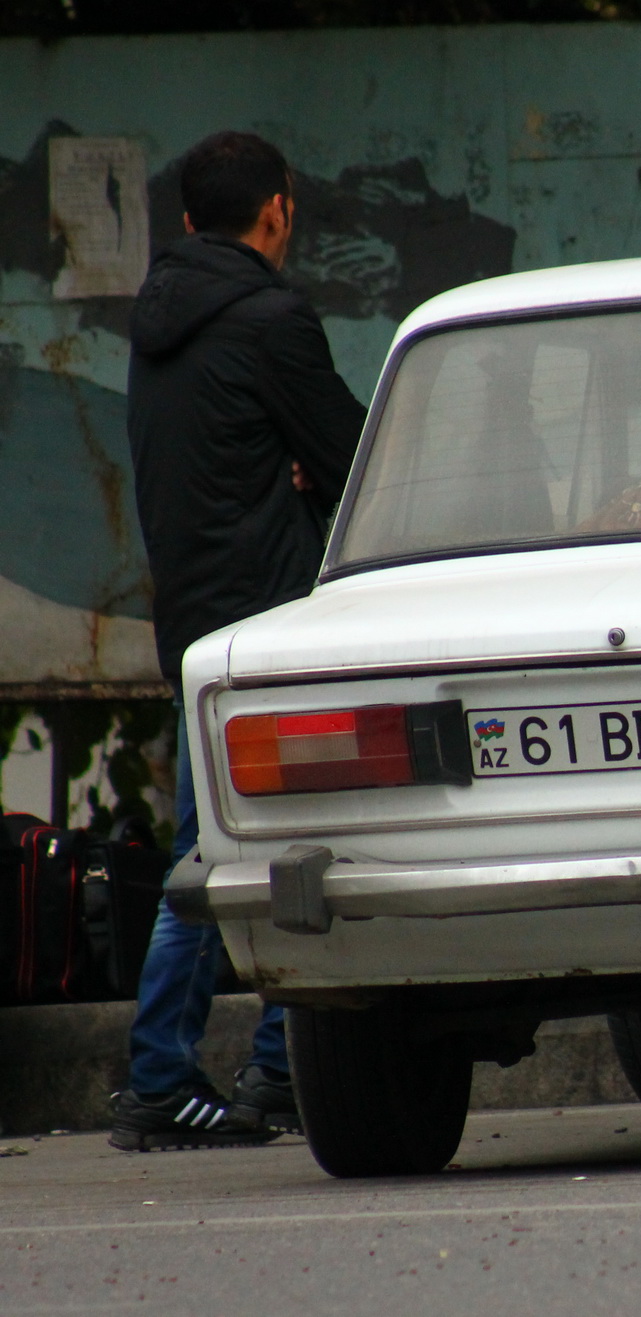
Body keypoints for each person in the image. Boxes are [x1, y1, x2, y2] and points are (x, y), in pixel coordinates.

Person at [112, 131, 367, 1150]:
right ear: (278, 212)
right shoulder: (270, 318)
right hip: (270, 620)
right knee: (220, 852)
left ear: (183, 222)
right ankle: (159, 1078)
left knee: (270, 845)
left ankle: (273, 1069)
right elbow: (349, 454)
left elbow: (229, 455)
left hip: (194, 620)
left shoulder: (157, 321)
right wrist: (307, 477)